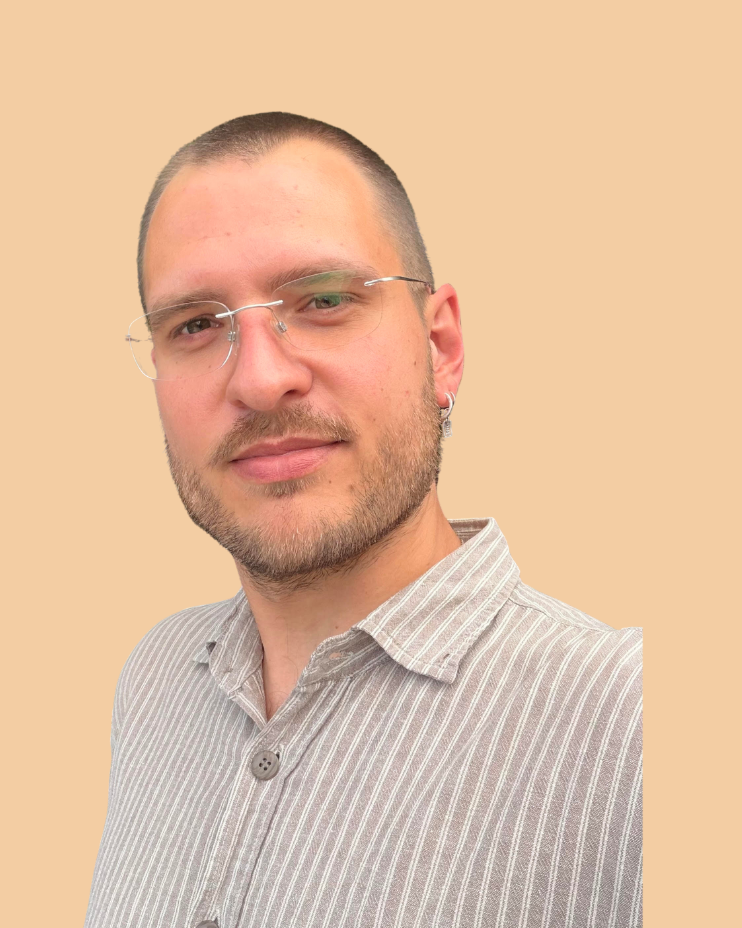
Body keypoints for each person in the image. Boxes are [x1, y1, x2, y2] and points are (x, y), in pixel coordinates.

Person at [84, 112, 642, 928]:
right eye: (197, 325)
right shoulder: (158, 681)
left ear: (441, 345)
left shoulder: (633, 727)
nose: (261, 379)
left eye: (324, 299)